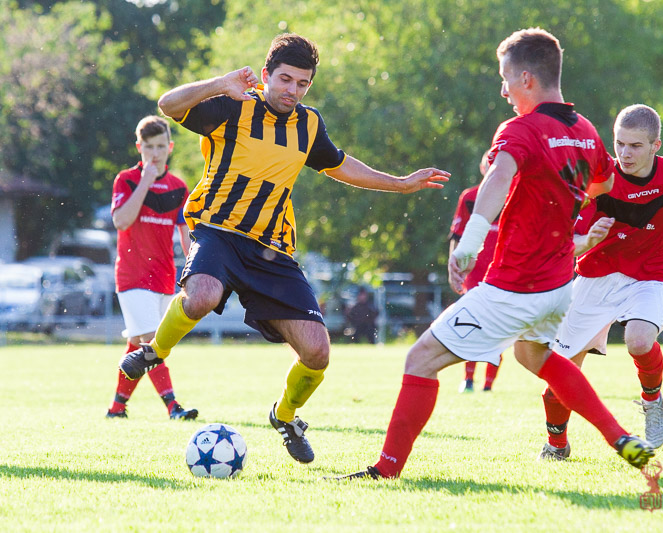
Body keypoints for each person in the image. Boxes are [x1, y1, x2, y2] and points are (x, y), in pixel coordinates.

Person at [331, 28, 655, 481]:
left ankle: (385, 470)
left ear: (526, 78)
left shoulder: (522, 129)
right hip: (558, 285)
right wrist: (565, 214)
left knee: (419, 360)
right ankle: (620, 437)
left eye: (505, 79)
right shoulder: (584, 132)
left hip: (514, 286)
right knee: (534, 357)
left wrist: (468, 245)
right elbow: (604, 184)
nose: (503, 91)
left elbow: (497, 179)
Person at [118, 33, 449, 464]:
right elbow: (168, 104)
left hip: (271, 248)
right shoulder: (234, 105)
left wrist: (400, 183)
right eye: (286, 79)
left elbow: (339, 164)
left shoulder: (309, 124)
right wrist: (219, 83)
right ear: (267, 74)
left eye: (303, 83)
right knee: (201, 296)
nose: (293, 90)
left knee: (317, 351)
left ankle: (285, 416)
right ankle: (154, 351)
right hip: (219, 231)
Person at [539, 104, 663, 460]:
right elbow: (565, 237)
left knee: (639, 339)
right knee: (559, 376)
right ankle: (556, 445)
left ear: (656, 145)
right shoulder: (599, 181)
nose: (624, 154)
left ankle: (652, 400)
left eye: (635, 145)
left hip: (650, 274)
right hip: (595, 276)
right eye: (619, 144)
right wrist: (586, 240)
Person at [106, 115, 198, 421]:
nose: (155, 153)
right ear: (139, 147)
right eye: (149, 147)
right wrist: (146, 180)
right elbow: (121, 221)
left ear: (170, 147)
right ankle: (173, 407)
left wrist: (194, 270)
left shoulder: (179, 187)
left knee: (138, 344)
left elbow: (186, 235)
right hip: (131, 277)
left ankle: (117, 408)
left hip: (164, 277)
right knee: (151, 342)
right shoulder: (126, 180)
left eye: (160, 146)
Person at [448, 150, 503, 392]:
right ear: (483, 169)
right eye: (489, 164)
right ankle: (468, 379)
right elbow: (457, 234)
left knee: (497, 330)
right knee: (471, 326)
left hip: (502, 272)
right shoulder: (470, 197)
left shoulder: (514, 196)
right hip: (474, 273)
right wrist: (454, 266)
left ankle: (488, 385)